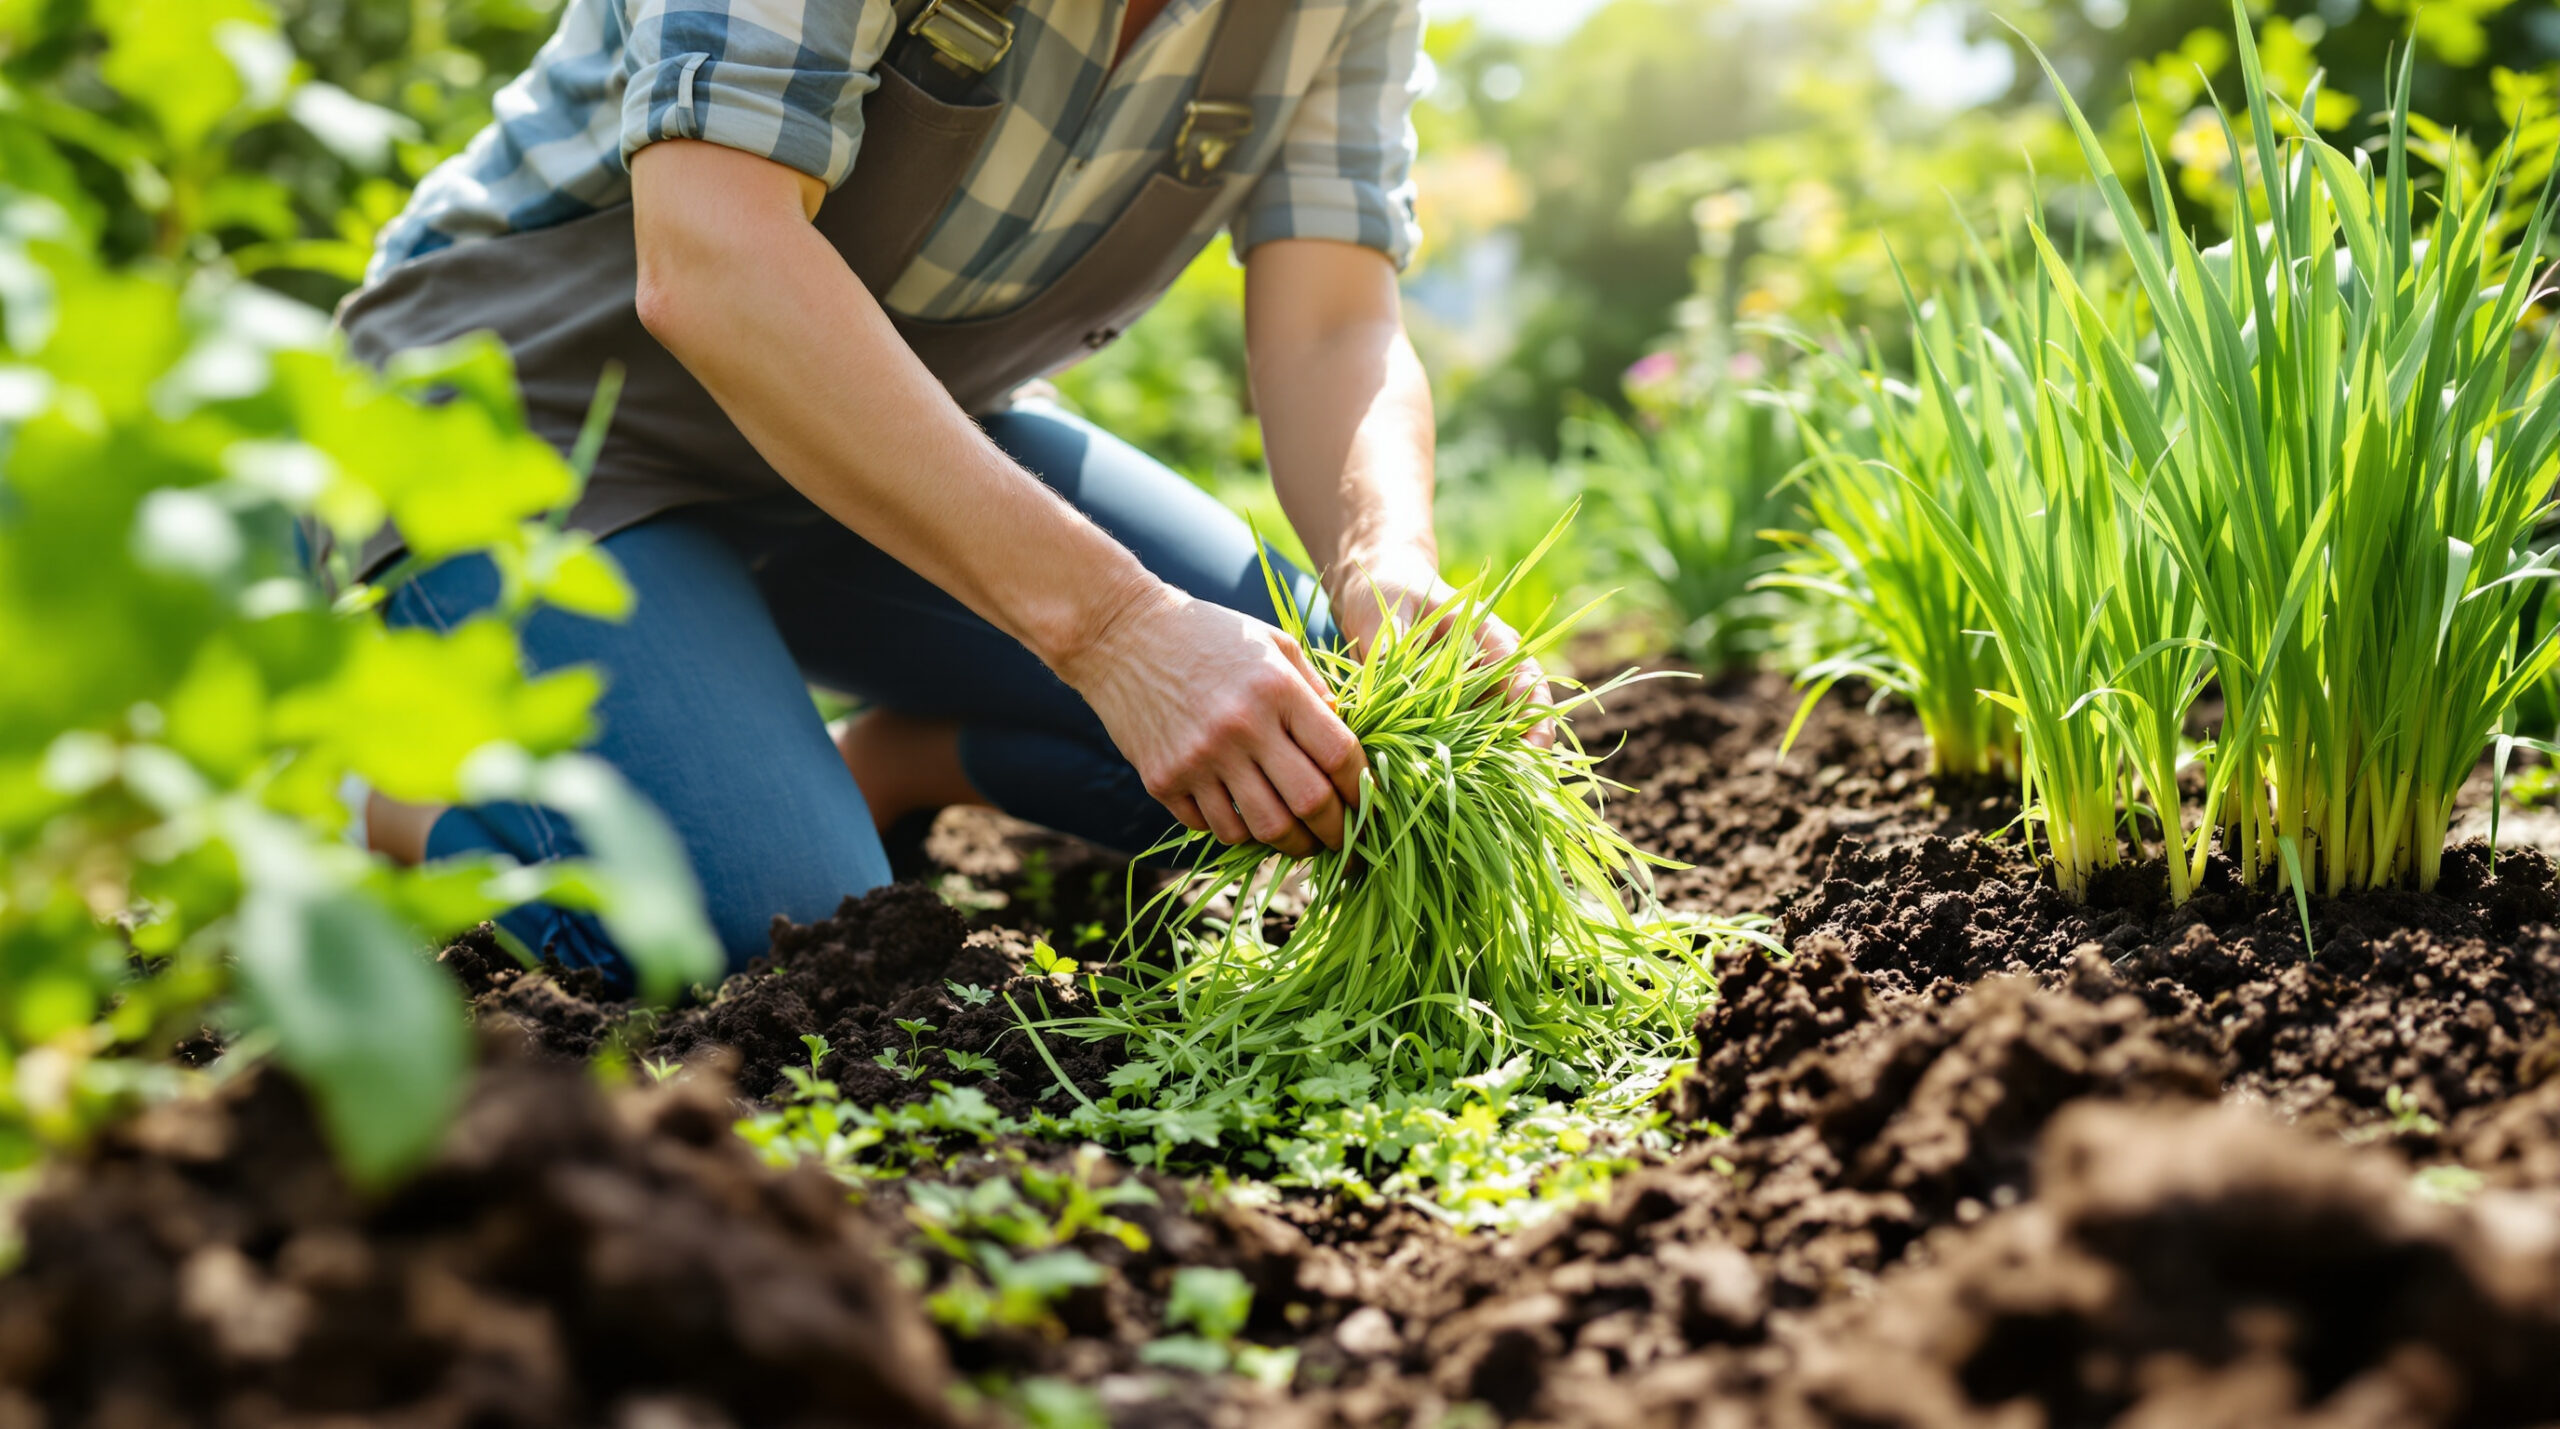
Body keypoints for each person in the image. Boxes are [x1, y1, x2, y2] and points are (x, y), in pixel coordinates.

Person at [333, 0, 1545, 986]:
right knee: (763, 943)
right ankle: (395, 797)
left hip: (874, 435)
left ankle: (898, 762)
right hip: (530, 419)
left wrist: (1381, 559)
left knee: (1316, 721)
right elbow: (712, 259)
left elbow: (1334, 321)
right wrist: (1116, 631)